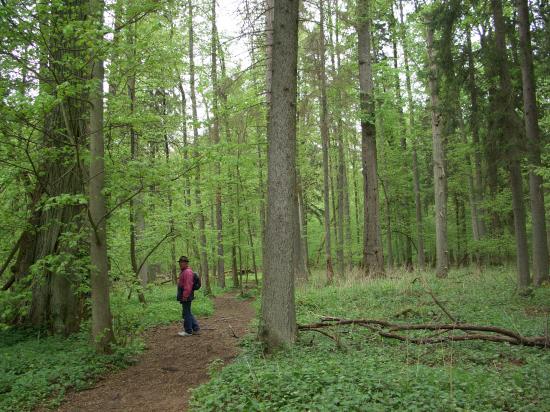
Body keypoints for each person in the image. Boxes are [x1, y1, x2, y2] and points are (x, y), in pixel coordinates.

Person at [177, 256, 200, 337]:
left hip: (186, 295)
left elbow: (188, 285)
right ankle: (196, 328)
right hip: (186, 295)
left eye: (182, 262)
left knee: (186, 313)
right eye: (179, 262)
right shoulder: (184, 271)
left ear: (186, 263)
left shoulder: (187, 272)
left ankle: (188, 331)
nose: (180, 264)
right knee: (187, 312)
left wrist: (185, 295)